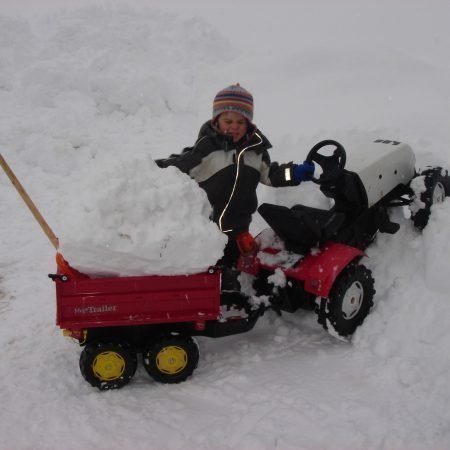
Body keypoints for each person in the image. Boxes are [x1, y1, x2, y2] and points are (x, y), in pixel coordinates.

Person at [156, 83, 314, 269]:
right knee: (211, 269)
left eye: (240, 122)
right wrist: (153, 168)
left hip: (239, 229)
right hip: (209, 229)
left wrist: (294, 173)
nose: (234, 127)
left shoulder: (256, 152)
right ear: (217, 121)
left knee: (235, 269)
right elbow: (180, 165)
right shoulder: (208, 149)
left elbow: (270, 174)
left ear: (249, 123)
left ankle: (231, 292)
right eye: (228, 122)